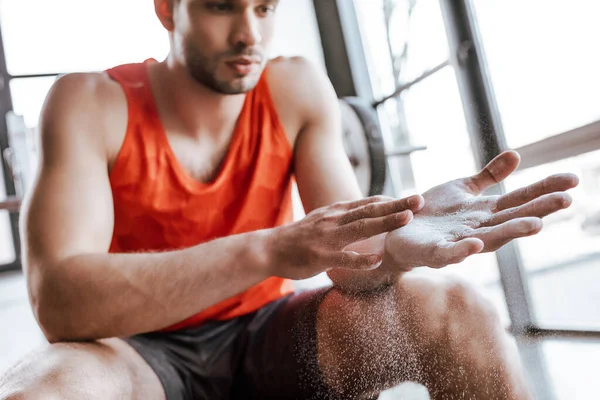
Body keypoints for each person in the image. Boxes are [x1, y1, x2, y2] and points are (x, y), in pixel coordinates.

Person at [0, 0, 578, 399]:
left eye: (265, 8)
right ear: (169, 9)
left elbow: (357, 268)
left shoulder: (294, 86)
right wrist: (270, 250)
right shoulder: (88, 101)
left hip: (268, 334)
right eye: (223, 6)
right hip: (133, 353)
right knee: (38, 389)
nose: (249, 33)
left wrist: (396, 243)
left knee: (457, 307)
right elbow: (61, 304)